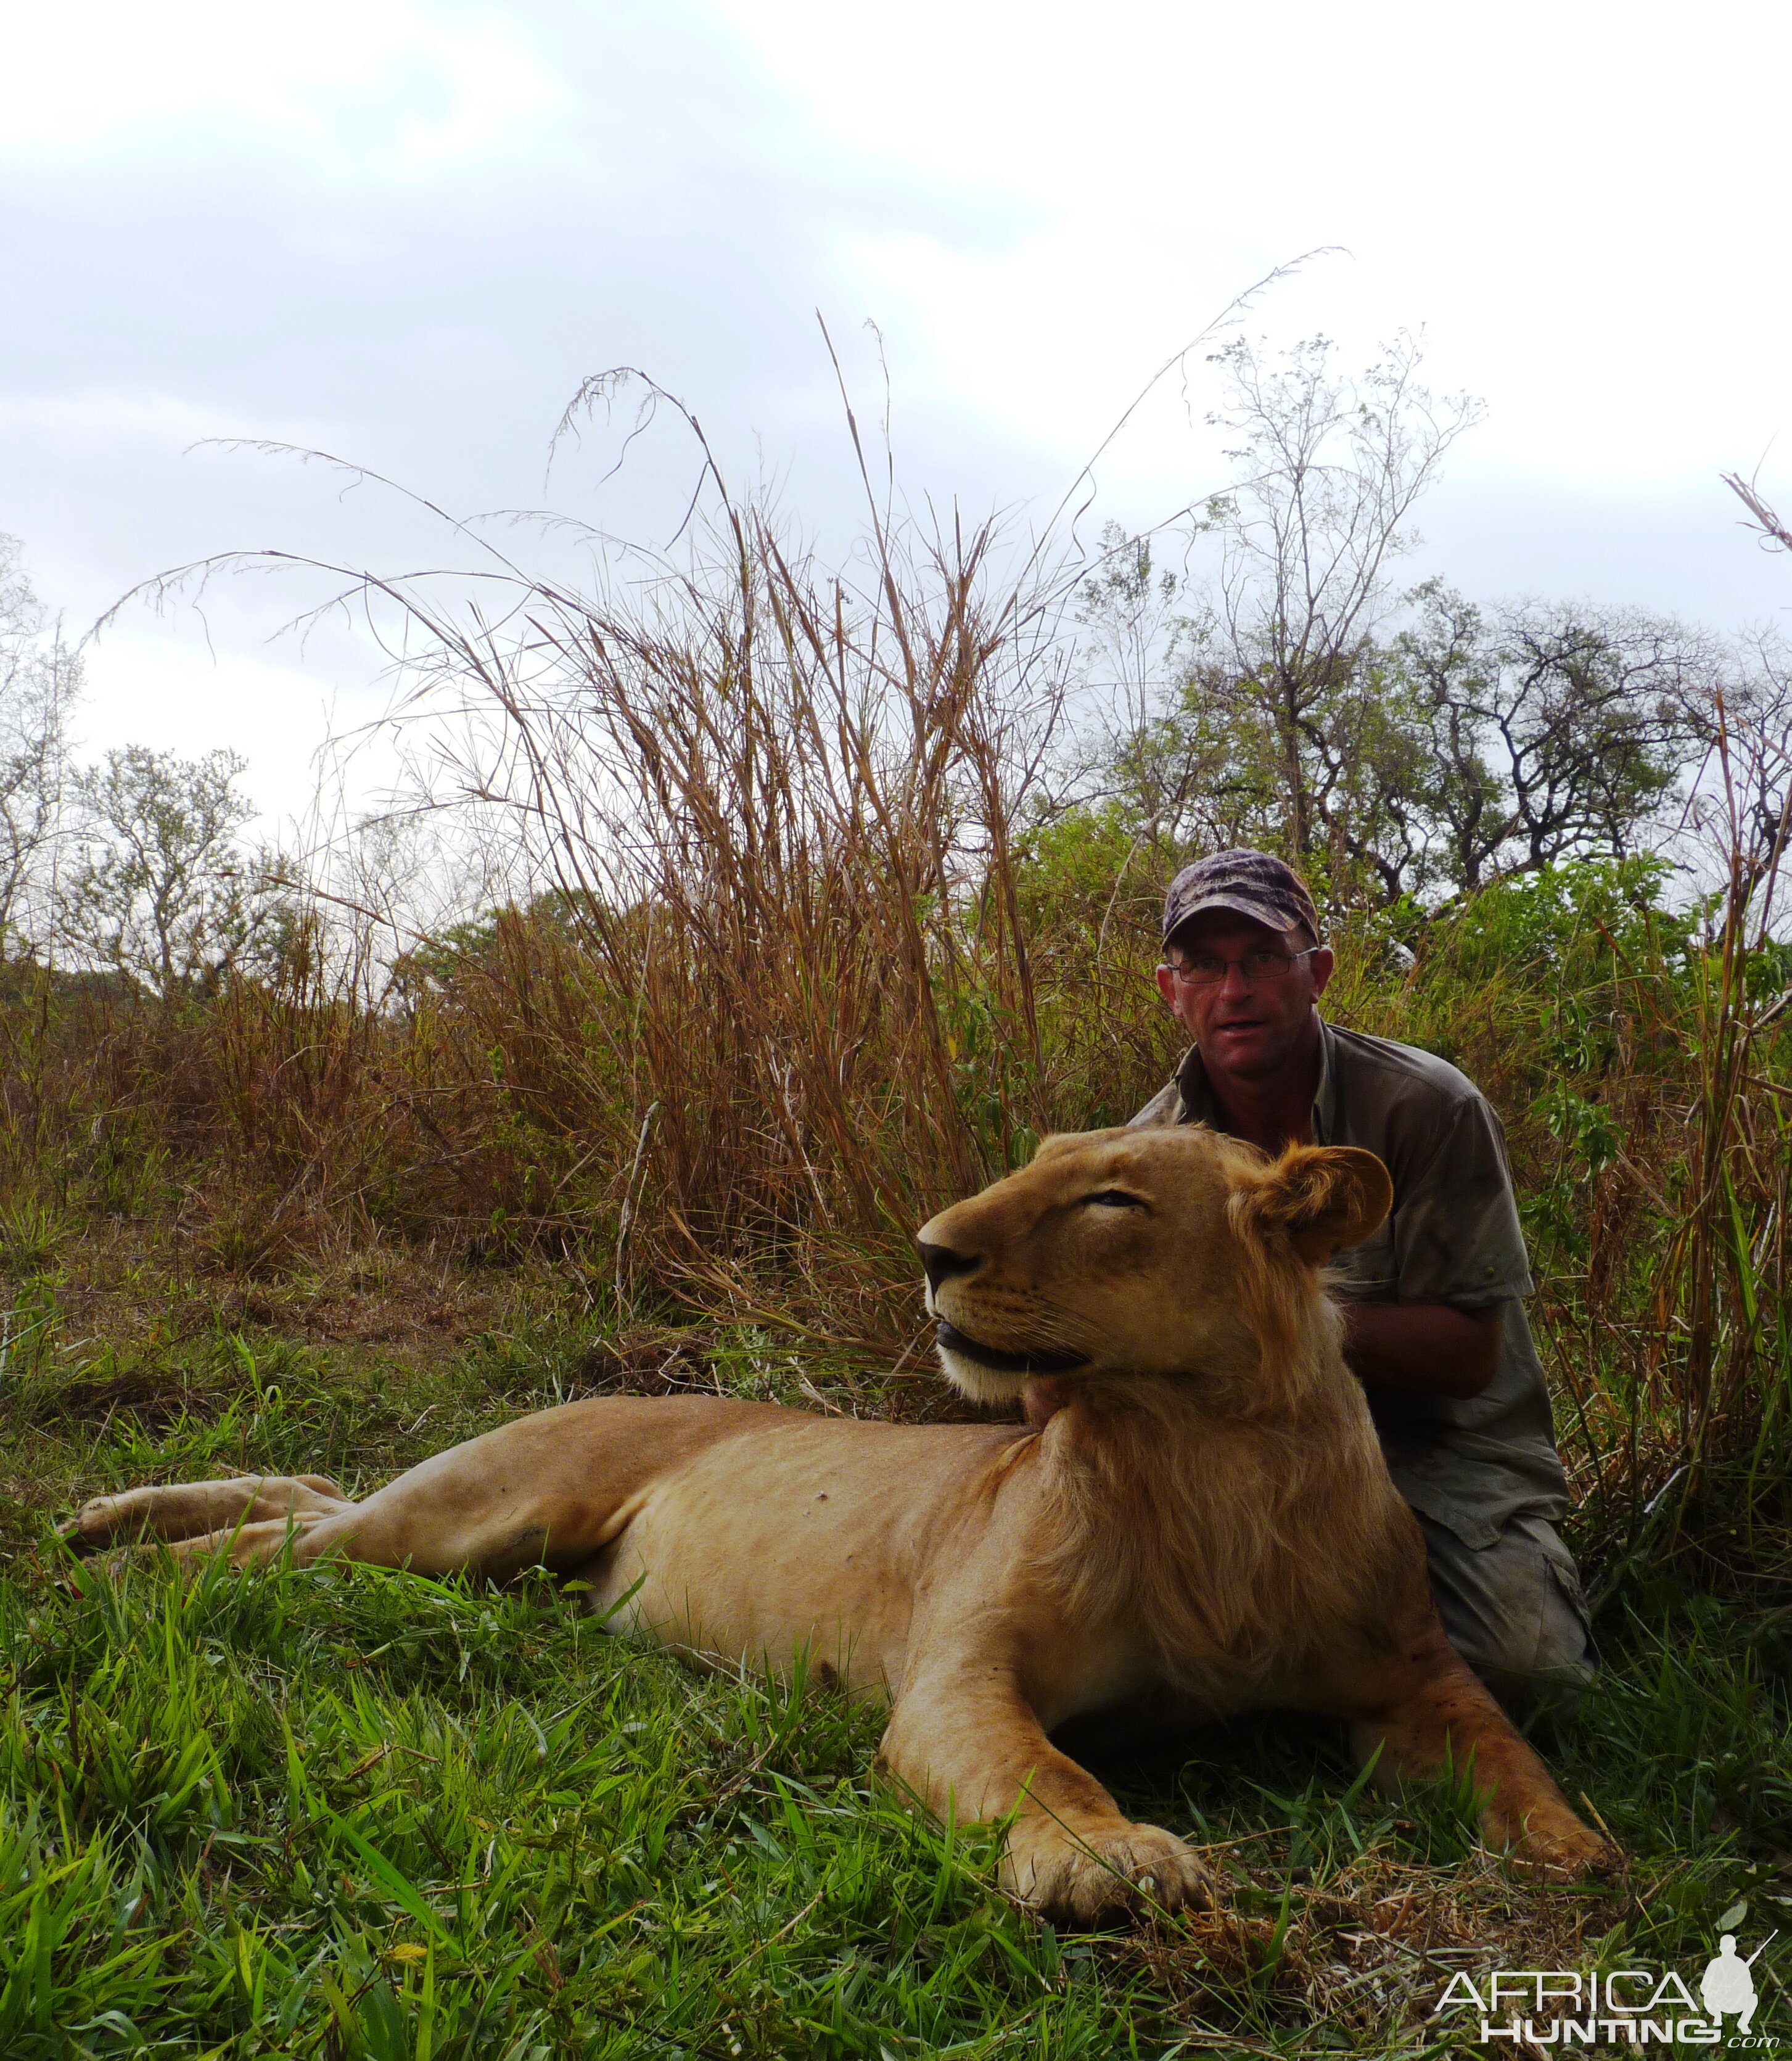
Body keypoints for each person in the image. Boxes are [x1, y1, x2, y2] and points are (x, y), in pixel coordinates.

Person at [1131, 848, 1594, 1716]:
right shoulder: (1147, 1152)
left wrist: (1265, 1324)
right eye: (1202, 964)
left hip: (1430, 1449)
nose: (1233, 989)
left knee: (1525, 1670)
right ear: (1171, 988)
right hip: (1245, 1453)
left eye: (1262, 958)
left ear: (1318, 973)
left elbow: (1466, 1356)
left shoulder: (1424, 1106)